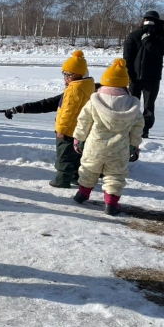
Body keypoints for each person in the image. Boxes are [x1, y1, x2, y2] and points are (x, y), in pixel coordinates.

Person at [72, 59, 144, 215]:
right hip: (119, 149)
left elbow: (83, 121)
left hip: (95, 145)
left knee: (89, 169)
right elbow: (137, 128)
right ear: (125, 84)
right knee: (115, 175)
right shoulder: (133, 106)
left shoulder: (95, 101)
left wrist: (79, 139)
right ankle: (111, 204)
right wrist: (135, 145)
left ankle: (82, 194)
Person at [49, 50, 96, 188]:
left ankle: (62, 179)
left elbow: (68, 111)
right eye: (64, 74)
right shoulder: (88, 85)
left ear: (79, 74)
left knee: (64, 156)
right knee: (77, 155)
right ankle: (76, 177)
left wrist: (61, 129)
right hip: (81, 130)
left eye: (68, 74)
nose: (65, 77)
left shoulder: (74, 89)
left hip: (68, 130)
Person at [123, 10, 164, 138]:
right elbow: (127, 55)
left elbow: (160, 51)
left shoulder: (161, 35)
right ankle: (131, 128)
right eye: (147, 19)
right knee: (132, 104)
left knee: (149, 106)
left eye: (151, 20)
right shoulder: (134, 35)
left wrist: (147, 40)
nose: (149, 22)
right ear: (143, 20)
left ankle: (145, 129)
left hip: (152, 77)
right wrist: (129, 72)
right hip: (135, 77)